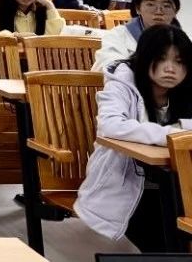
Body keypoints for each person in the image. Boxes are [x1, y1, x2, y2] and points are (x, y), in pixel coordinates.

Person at [76, 25, 192, 251]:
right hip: (130, 184)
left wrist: (179, 129)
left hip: (179, 184)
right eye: (161, 59)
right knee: (166, 243)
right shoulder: (123, 81)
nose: (170, 69)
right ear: (145, 57)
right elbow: (111, 125)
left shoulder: (187, 88)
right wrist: (175, 134)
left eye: (179, 61)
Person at [94, 0, 183, 72]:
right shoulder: (117, 36)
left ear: (175, 11)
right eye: (151, 4)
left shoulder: (181, 41)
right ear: (138, 8)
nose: (159, 11)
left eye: (166, 6)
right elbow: (108, 68)